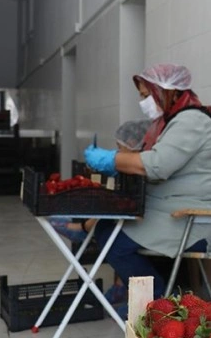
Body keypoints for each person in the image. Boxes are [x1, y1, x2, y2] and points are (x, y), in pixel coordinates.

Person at [84, 63, 211, 304]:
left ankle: (163, 304)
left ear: (168, 91)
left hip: (200, 220)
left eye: (146, 95)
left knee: (115, 241)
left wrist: (112, 160)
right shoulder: (175, 121)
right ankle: (158, 300)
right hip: (178, 214)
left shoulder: (190, 121)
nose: (143, 102)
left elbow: (158, 165)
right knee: (107, 230)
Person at [49, 119, 152, 305]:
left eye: (121, 148)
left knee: (114, 237)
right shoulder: (138, 162)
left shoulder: (148, 162)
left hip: (155, 219)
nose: (118, 154)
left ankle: (142, 294)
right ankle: (123, 285)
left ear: (137, 146)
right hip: (141, 213)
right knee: (109, 220)